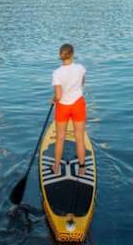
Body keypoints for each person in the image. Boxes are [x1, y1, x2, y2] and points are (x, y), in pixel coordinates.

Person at [50, 44, 87, 176]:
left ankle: (56, 167)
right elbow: (82, 84)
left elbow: (59, 96)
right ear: (72, 54)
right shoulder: (80, 68)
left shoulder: (57, 73)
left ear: (60, 55)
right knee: (79, 137)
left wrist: (53, 99)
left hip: (63, 107)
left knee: (60, 138)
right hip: (78, 104)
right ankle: (82, 168)